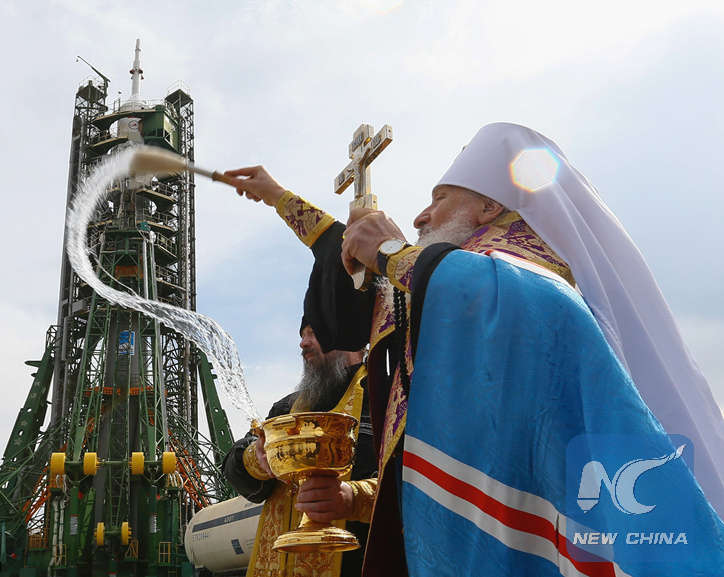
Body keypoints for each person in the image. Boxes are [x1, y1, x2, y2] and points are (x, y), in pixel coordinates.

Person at [225, 123, 724, 576]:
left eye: (439, 198)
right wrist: (298, 210)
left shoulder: (528, 274)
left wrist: (393, 253)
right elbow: (378, 288)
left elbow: (498, 297)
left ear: (489, 207)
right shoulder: (454, 291)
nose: (420, 215)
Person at [222, 323, 377, 577]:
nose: (303, 343)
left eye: (315, 332)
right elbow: (235, 473)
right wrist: (256, 456)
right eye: (303, 335)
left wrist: (354, 499)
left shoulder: (387, 401)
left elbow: (416, 489)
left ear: (352, 337)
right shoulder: (285, 409)